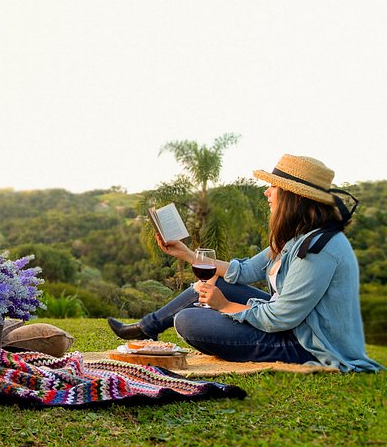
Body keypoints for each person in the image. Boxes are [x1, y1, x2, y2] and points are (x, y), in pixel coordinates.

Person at [108, 154, 383, 372]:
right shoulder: (296, 237)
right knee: (207, 285)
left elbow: (282, 317)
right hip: (291, 327)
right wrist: (188, 255)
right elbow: (245, 271)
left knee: (188, 319)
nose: (266, 192)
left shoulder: (318, 248)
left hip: (306, 345)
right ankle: (147, 329)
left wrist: (225, 306)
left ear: (292, 196)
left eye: (273, 187)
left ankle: (150, 328)